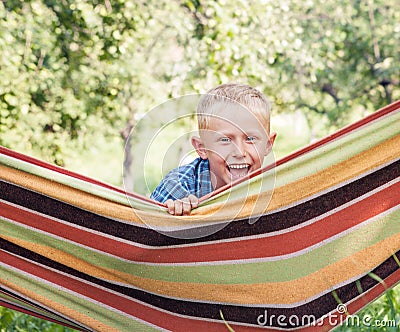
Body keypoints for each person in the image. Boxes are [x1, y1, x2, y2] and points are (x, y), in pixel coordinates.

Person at [151, 83, 276, 215]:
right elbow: (146, 228)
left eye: (250, 139)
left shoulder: (278, 188)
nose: (239, 152)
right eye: (225, 140)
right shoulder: (178, 186)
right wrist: (174, 213)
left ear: (268, 145)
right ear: (202, 149)